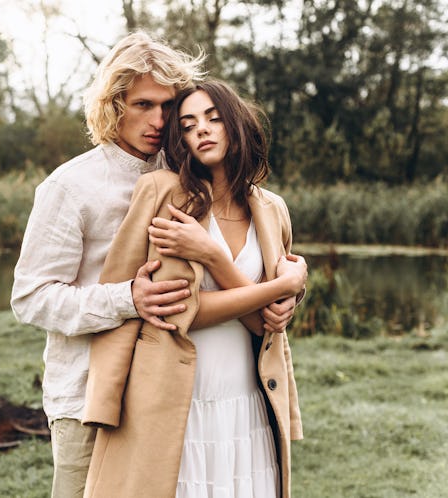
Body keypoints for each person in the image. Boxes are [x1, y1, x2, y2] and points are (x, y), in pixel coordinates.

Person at [82, 80, 305, 498]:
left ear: (236, 124)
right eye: (187, 125)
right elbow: (176, 310)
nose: (200, 129)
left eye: (213, 118)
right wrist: (282, 285)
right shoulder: (162, 193)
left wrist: (216, 258)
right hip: (175, 401)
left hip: (247, 402)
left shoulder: (272, 209)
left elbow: (264, 324)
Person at [11, 31, 206, 498]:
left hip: (168, 391)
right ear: (113, 103)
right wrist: (127, 299)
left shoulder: (191, 178)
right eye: (143, 104)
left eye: (168, 105)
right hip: (83, 396)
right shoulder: (70, 187)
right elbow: (31, 299)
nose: (159, 119)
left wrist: (288, 284)